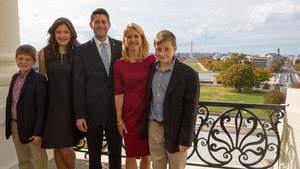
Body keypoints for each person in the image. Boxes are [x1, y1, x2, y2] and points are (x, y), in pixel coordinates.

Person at [140, 30, 200, 169]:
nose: (162, 53)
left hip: (177, 130)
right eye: (158, 49)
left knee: (177, 166)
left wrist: (186, 139)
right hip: (153, 126)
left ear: (175, 48)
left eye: (167, 49)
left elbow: (191, 110)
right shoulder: (151, 69)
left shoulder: (189, 75)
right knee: (157, 165)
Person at [73, 8, 122, 169]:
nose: (100, 25)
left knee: (116, 154)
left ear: (109, 25)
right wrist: (79, 114)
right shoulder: (81, 51)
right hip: (91, 112)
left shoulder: (121, 47)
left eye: (103, 22)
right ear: (91, 25)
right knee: (94, 155)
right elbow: (78, 85)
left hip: (116, 112)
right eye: (97, 22)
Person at [39, 17, 82, 169]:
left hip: (72, 106)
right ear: (53, 33)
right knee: (57, 146)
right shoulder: (44, 53)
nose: (62, 35)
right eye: (59, 32)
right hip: (53, 106)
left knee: (65, 146)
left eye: (66, 31)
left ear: (71, 34)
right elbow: (41, 82)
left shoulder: (79, 53)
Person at [114, 23, 156, 169]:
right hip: (129, 117)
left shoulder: (151, 61)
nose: (133, 40)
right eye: (129, 36)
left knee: (146, 154)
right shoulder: (119, 64)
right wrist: (119, 120)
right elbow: (118, 94)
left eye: (136, 36)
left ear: (142, 39)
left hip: (148, 116)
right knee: (130, 154)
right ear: (124, 40)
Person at [5, 45, 48, 169]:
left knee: (39, 161)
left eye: (28, 59)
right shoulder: (14, 78)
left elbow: (41, 109)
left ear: (34, 61)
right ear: (16, 59)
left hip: (33, 129)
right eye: (21, 58)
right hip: (15, 126)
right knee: (23, 161)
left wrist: (38, 132)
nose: (24, 62)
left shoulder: (39, 80)